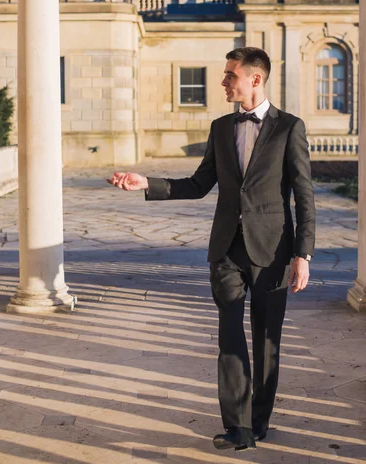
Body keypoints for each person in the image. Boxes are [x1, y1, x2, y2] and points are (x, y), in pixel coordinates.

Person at [107, 47, 316, 451]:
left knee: (267, 341)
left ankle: (258, 422)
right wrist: (147, 183)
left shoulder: (290, 127)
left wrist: (302, 255)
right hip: (225, 250)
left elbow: (304, 197)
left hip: (273, 251)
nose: (222, 82)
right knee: (229, 337)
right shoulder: (221, 127)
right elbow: (199, 184)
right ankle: (237, 427)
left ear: (255, 79)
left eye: (229, 75)